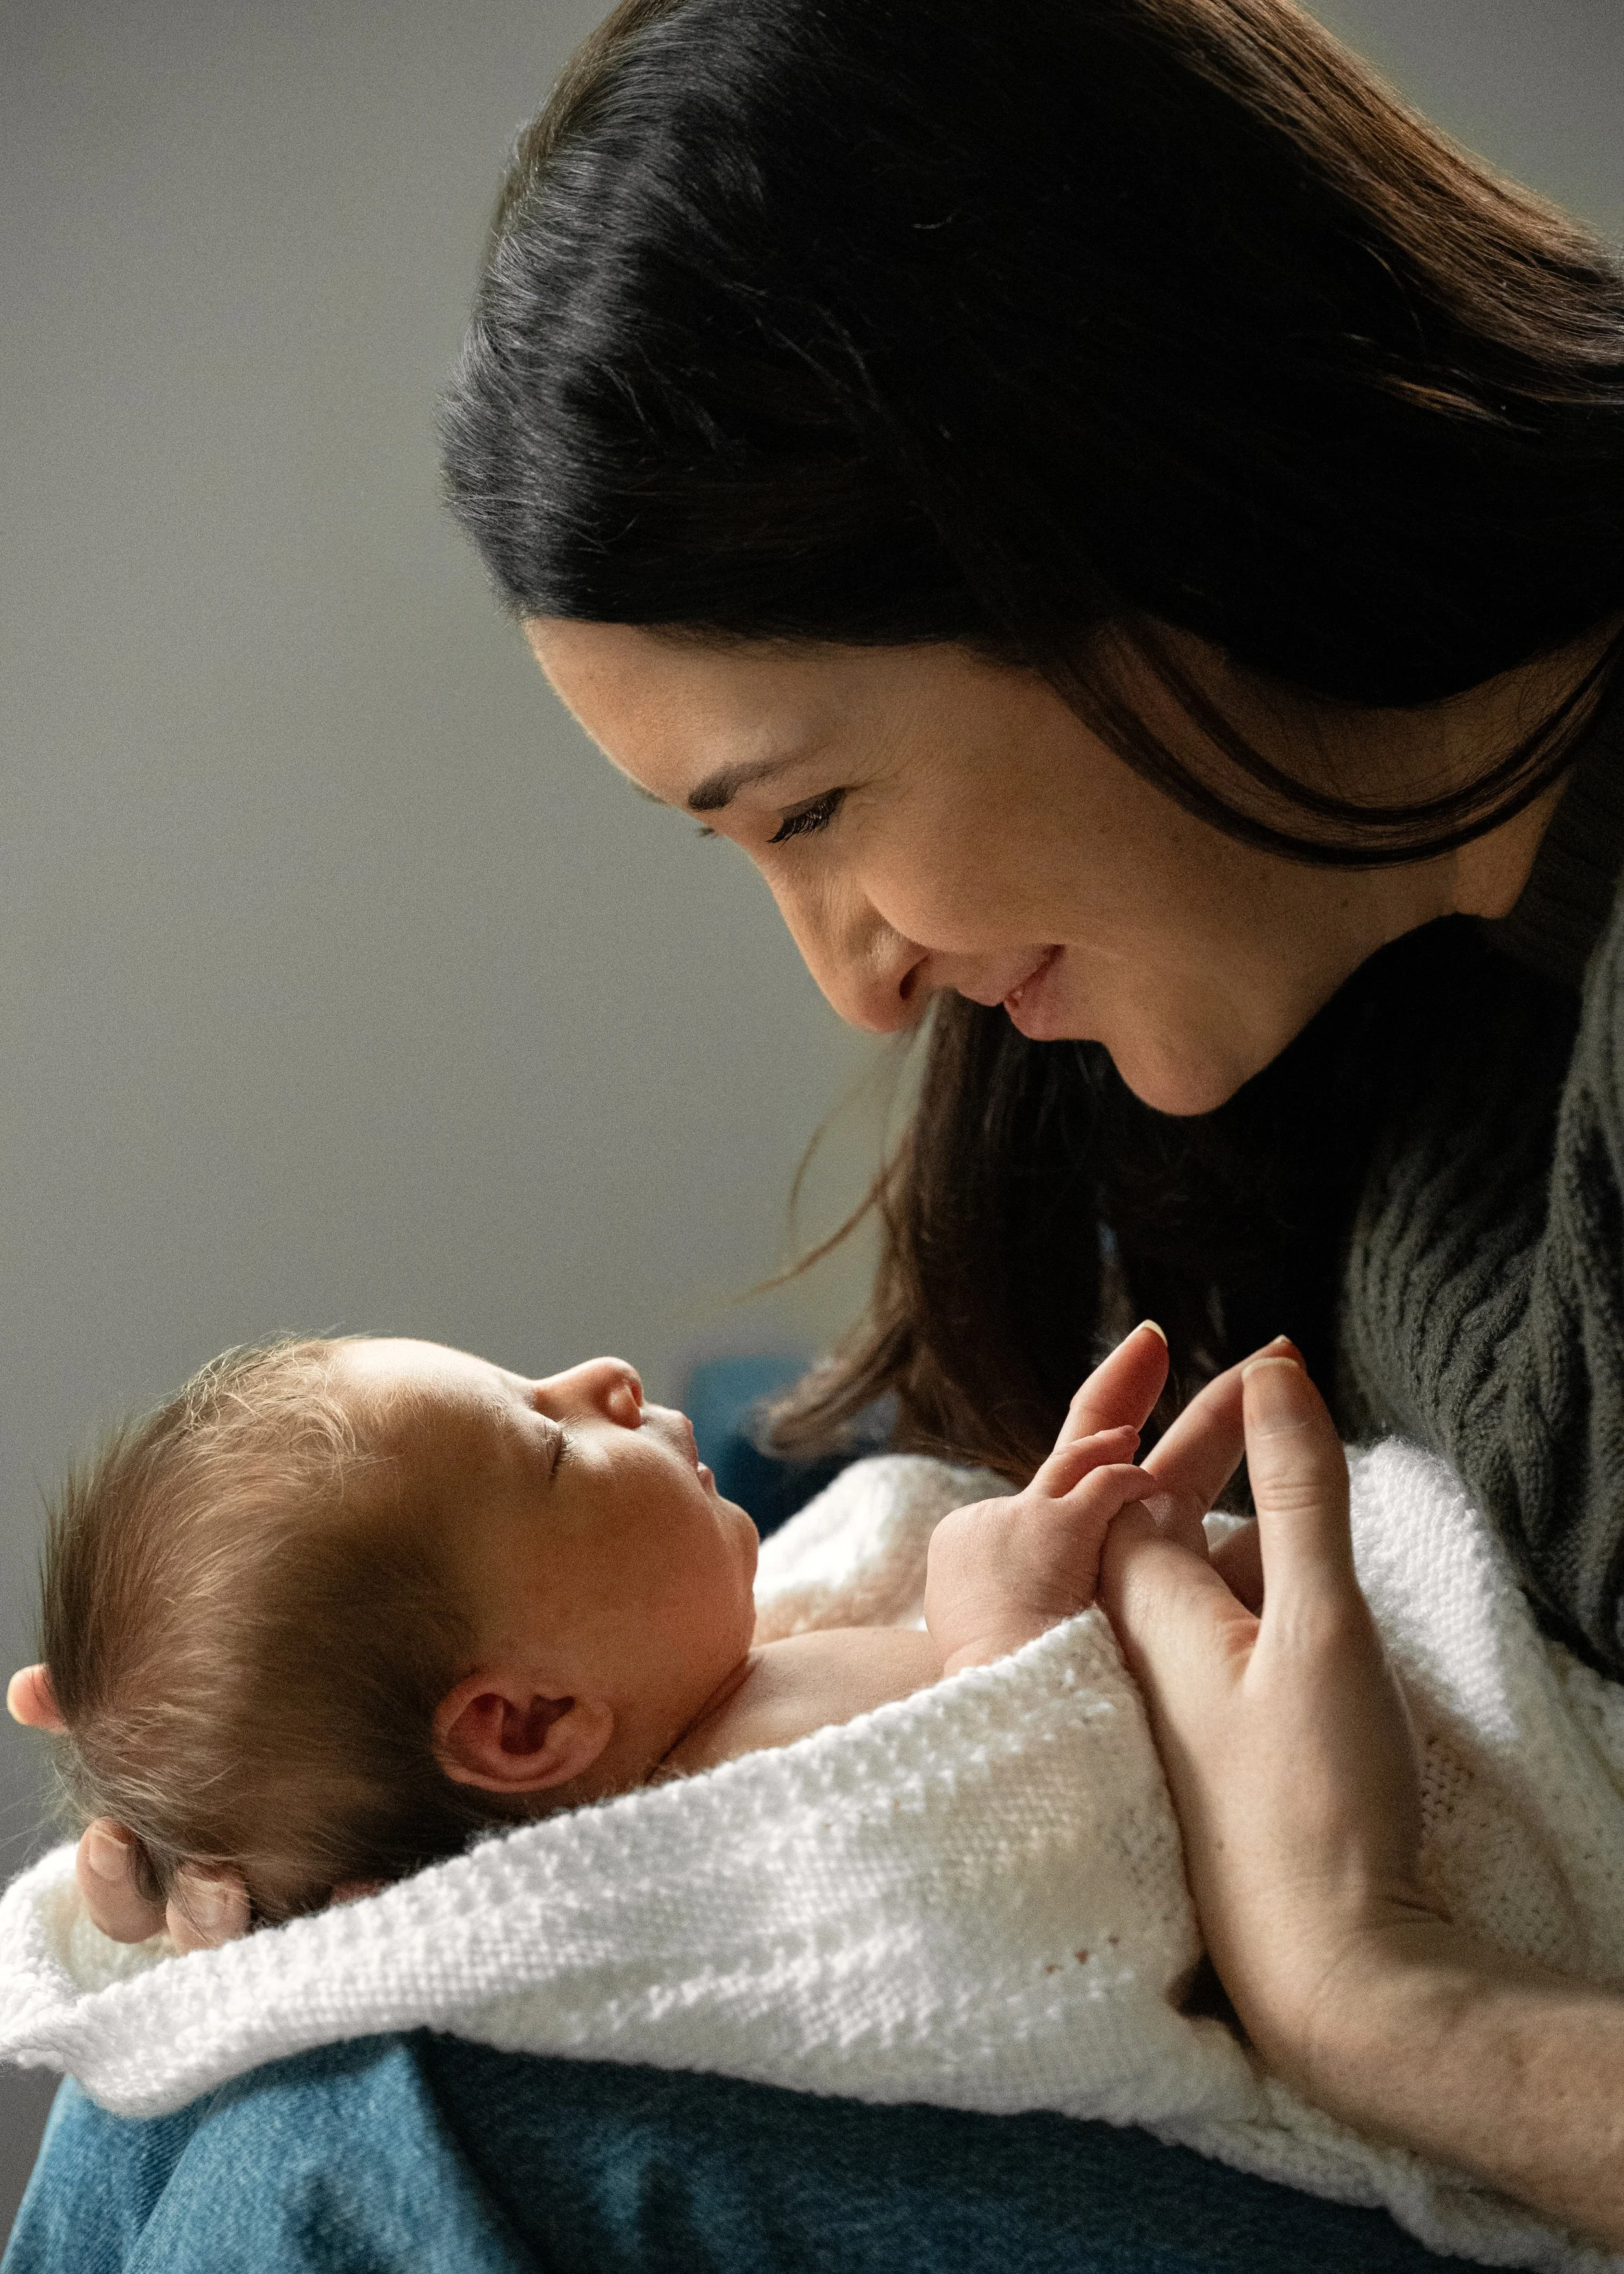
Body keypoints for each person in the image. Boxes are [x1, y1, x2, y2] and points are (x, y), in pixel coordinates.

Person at [15, 0, 1624, 2262]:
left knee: (341, 2142)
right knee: (197, 2065)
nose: (851, 974)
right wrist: (271, 1768)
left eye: (819, 810)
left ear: (1116, 507)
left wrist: (1384, 2000)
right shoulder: (1327, 1010)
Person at [6, 1324, 1189, 1929]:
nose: (605, 1377)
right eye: (552, 1445)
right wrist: (1012, 1639)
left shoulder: (709, 1687)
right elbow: (1056, 1889)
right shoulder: (743, 1823)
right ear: (526, 1723)